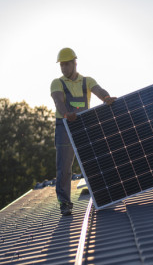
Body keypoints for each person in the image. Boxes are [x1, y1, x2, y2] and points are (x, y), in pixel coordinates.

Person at [50, 47, 116, 216]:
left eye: (67, 64)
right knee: (64, 167)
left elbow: (99, 91)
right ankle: (64, 203)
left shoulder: (87, 81)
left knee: (93, 161)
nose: (64, 68)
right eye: (61, 65)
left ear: (74, 63)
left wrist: (106, 98)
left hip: (84, 125)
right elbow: (58, 101)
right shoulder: (57, 83)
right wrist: (66, 114)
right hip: (64, 126)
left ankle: (104, 195)